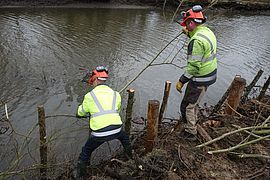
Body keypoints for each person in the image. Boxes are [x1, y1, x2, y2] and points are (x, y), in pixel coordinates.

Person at [76, 66, 132, 178]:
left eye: (92, 81)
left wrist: (81, 112)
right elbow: (116, 109)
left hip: (99, 133)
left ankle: (80, 176)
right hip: (117, 129)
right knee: (125, 139)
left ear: (96, 79)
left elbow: (80, 113)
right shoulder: (116, 94)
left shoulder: (89, 96)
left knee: (85, 152)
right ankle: (131, 160)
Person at [176, 5, 217, 141]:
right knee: (194, 103)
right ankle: (193, 121)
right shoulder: (207, 32)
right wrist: (188, 33)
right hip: (210, 75)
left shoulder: (196, 41)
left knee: (187, 106)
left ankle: (190, 132)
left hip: (200, 79)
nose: (186, 27)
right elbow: (198, 39)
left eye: (187, 24)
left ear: (191, 22)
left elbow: (193, 67)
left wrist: (181, 81)